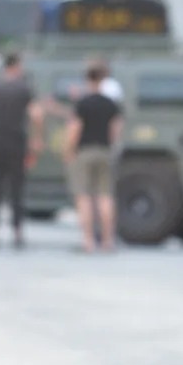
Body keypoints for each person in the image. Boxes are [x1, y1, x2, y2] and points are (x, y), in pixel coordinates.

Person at [0, 52, 44, 249]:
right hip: (17, 144)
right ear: (16, 67)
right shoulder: (24, 89)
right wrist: (37, 138)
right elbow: (37, 115)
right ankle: (17, 231)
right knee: (17, 189)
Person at [64, 62, 123, 252]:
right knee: (105, 196)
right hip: (105, 151)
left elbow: (75, 128)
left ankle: (88, 240)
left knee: (84, 197)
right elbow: (116, 130)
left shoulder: (82, 103)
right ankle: (108, 240)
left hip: (85, 151)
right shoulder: (111, 104)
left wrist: (69, 150)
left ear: (87, 79)